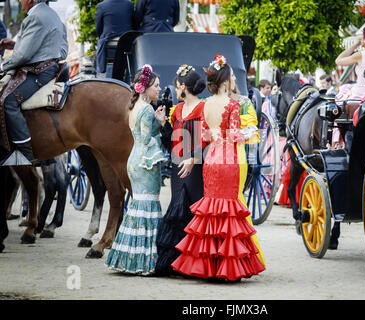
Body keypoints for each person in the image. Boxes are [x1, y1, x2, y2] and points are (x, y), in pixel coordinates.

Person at [171, 55, 265, 282]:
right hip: (228, 161)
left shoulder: (207, 104)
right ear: (226, 81)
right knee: (228, 211)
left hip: (211, 160)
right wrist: (249, 132)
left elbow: (203, 135)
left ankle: (208, 265)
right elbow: (233, 135)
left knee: (212, 210)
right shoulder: (232, 105)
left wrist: (195, 156)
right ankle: (227, 267)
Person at [105, 64, 167, 276]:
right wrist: (161, 125)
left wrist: (156, 122)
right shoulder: (148, 109)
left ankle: (127, 257)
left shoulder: (133, 107)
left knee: (137, 208)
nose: (159, 89)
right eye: (156, 86)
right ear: (146, 87)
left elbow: (139, 135)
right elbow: (148, 139)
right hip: (145, 162)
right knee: (147, 207)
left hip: (134, 160)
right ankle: (144, 261)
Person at [0, 0, 68, 165]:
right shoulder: (52, 15)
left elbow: (23, 56)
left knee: (8, 100)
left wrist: (3, 66)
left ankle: (26, 154)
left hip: (39, 71)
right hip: (50, 67)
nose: (19, 1)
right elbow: (58, 47)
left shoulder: (35, 18)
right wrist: (15, 44)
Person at [154, 64, 207, 276]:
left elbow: (206, 138)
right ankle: (176, 263)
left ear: (184, 86)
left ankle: (193, 265)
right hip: (178, 163)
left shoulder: (203, 109)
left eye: (177, 86)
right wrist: (161, 124)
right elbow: (171, 141)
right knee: (177, 210)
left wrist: (193, 158)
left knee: (194, 209)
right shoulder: (176, 111)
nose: (176, 90)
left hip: (196, 167)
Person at [229, 70, 265, 268]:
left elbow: (252, 128)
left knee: (237, 199)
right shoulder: (212, 102)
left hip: (236, 155)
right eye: (231, 76)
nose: (235, 79)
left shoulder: (244, 102)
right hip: (216, 158)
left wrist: (228, 130)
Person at [94, 0, 134, 76]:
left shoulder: (101, 6)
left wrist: (102, 36)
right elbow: (134, 24)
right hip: (126, 41)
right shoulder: (130, 4)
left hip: (109, 42)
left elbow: (98, 27)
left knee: (102, 42)